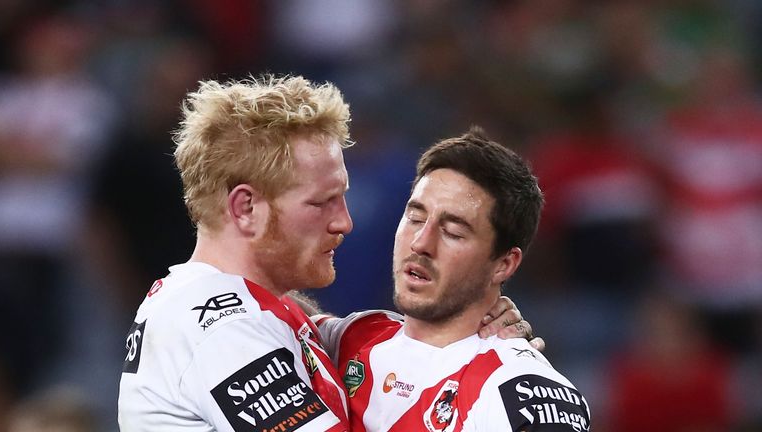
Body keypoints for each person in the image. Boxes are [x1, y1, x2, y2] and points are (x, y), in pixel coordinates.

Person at [117, 75, 538, 431]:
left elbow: (378, 347)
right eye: (322, 203)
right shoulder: (221, 329)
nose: (344, 222)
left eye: (343, 197)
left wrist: (477, 336)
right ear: (246, 208)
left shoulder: (250, 313)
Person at [315, 128, 591, 431]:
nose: (421, 242)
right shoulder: (349, 339)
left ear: (504, 264)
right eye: (416, 218)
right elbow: (264, 310)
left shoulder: (521, 391)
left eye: (453, 232)